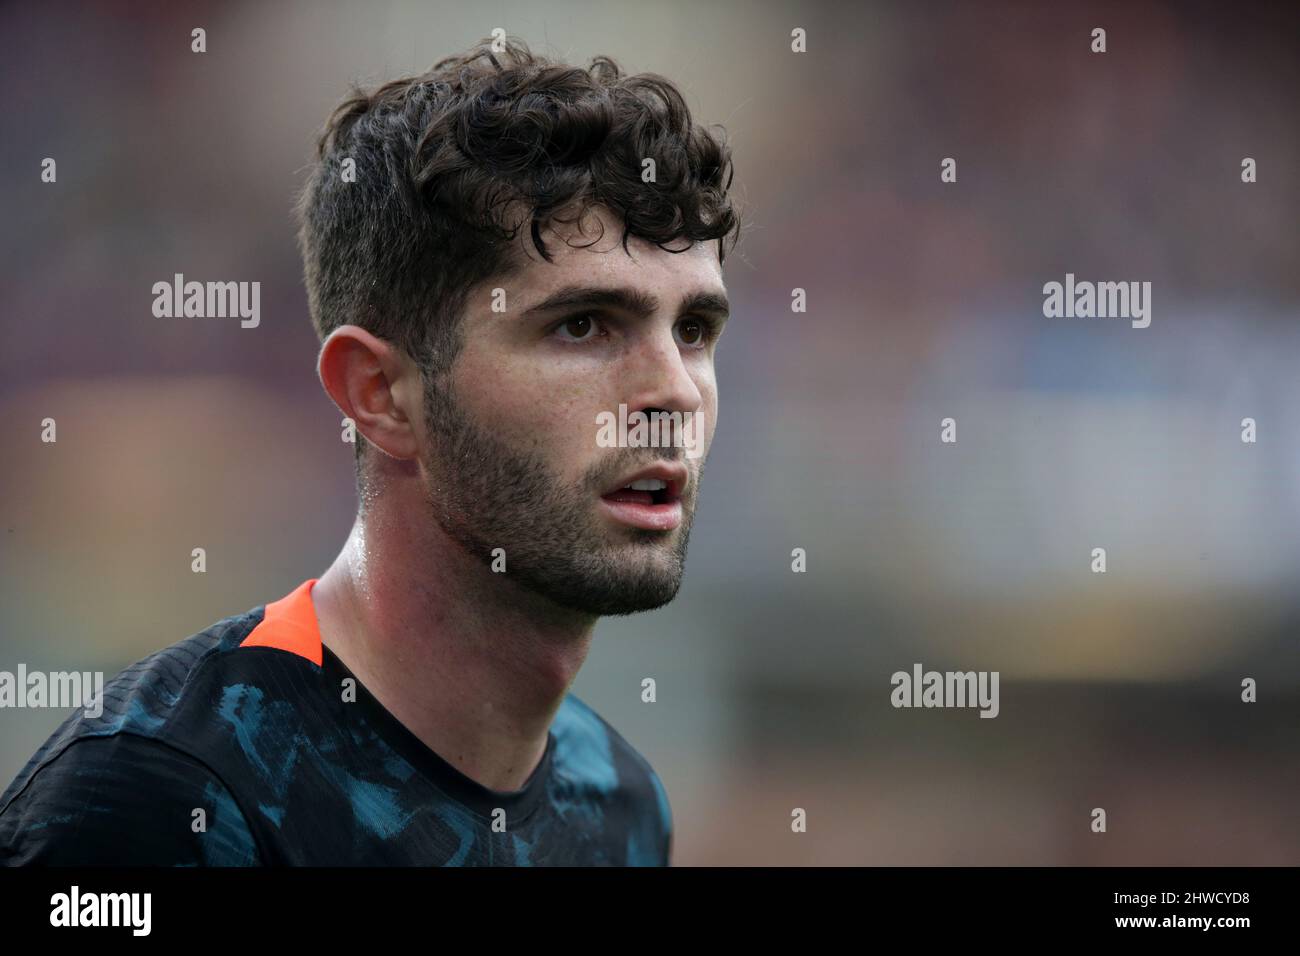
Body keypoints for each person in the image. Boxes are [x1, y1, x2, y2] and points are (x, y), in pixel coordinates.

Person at [0, 35, 740, 865]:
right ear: (379, 395)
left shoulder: (622, 806)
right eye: (582, 325)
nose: (674, 391)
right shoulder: (159, 798)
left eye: (695, 329)